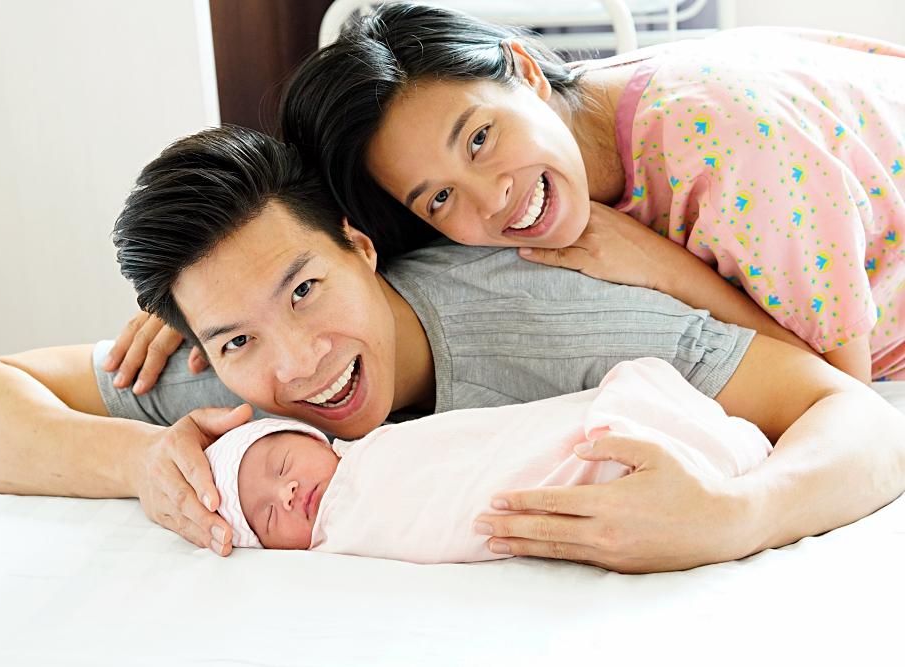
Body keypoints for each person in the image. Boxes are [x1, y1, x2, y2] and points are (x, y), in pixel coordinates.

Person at [0, 126, 905, 573]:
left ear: (358, 243)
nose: (299, 363)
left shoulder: (552, 312)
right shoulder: (229, 389)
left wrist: (738, 515)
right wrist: (140, 461)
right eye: (238, 335)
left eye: (305, 290)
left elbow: (855, 413)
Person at [280, 2, 905, 384]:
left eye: (478, 140)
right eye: (438, 199)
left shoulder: (732, 149)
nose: (491, 200)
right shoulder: (555, 139)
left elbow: (845, 397)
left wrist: (667, 269)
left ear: (526, 71)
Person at [208, 358, 772, 564]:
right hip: (547, 492)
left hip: (546, 441)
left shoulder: (374, 451)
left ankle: (653, 437)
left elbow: (477, 442)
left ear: (315, 439)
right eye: (266, 516)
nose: (285, 494)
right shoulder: (340, 543)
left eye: (282, 465)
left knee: (566, 439)